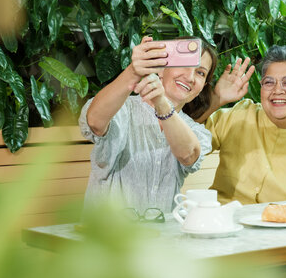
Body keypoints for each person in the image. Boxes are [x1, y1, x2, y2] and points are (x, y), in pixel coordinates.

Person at [79, 36, 230, 215]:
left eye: (201, 73)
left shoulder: (195, 131)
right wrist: (134, 70)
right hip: (109, 237)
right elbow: (95, 122)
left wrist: (162, 104)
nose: (190, 77)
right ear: (161, 69)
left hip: (161, 240)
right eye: (184, 64)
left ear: (202, 87)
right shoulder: (124, 109)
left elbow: (188, 155)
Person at [196, 45, 286, 204]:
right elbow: (187, 141)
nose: (277, 90)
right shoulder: (241, 114)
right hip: (219, 222)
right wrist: (216, 100)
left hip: (278, 225)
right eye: (269, 82)